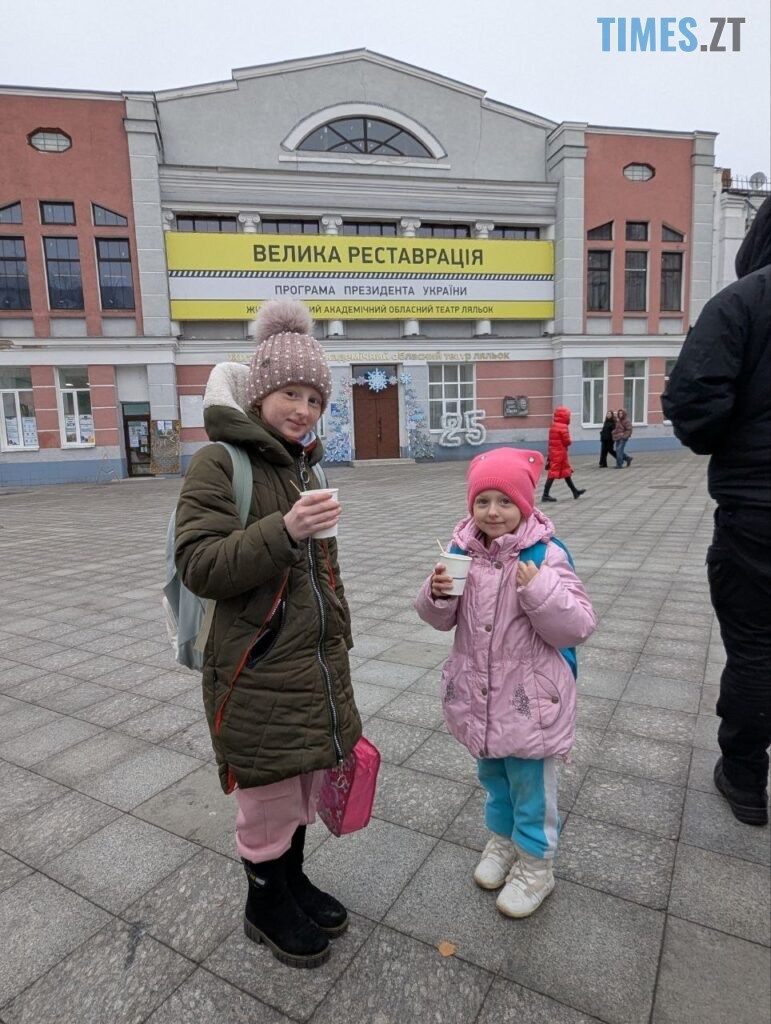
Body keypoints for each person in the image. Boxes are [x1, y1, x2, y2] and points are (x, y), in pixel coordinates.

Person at [174, 299, 363, 967]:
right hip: (255, 668)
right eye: (291, 392)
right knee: (266, 797)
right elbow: (199, 564)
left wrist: (338, 630)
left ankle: (292, 881)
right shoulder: (219, 465)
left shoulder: (303, 465)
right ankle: (263, 902)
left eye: (315, 397)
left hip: (309, 662)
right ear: (259, 394)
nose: (304, 409)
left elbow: (319, 568)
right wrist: (282, 531)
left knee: (301, 781)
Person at [415, 448, 596, 916]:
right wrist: (435, 595)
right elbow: (439, 620)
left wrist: (539, 590)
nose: (493, 512)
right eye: (483, 501)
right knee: (493, 778)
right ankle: (501, 844)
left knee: (531, 787)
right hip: (481, 698)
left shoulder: (546, 554)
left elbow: (577, 626)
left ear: (526, 505)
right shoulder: (461, 553)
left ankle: (536, 867)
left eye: (505, 502)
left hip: (530, 702)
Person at [662, 194, 771, 827]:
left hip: (758, 510)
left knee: (757, 646)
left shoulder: (744, 301)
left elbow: (695, 403)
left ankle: (746, 777)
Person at [541, 406, 586, 501]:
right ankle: (545, 495)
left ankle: (575, 491)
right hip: (560, 453)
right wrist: (569, 441)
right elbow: (567, 442)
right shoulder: (563, 427)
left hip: (555, 452)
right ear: (565, 416)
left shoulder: (553, 425)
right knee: (552, 474)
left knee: (566, 472)